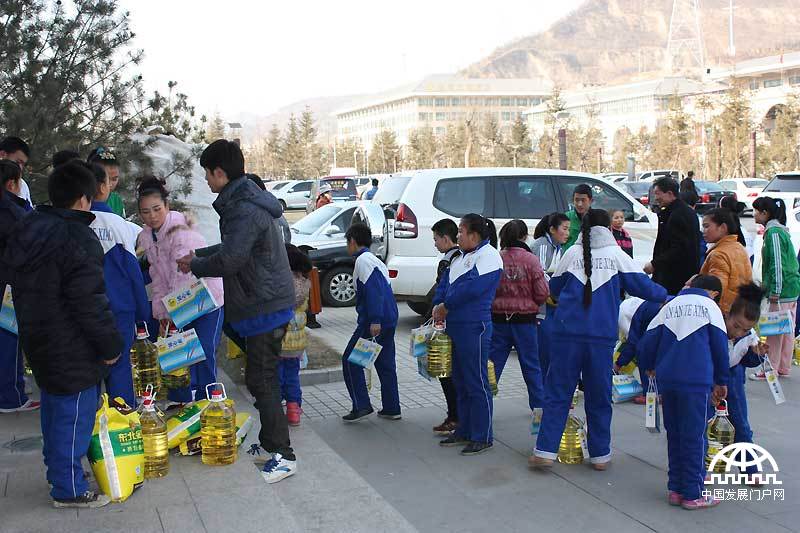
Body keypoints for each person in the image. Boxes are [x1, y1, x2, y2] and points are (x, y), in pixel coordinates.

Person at [177, 140, 297, 484]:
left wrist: (198, 264)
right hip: (262, 302)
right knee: (260, 378)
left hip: (265, 305)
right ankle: (270, 443)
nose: (207, 181)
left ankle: (284, 455)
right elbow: (234, 248)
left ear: (219, 172)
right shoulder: (241, 201)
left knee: (263, 379)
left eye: (207, 174)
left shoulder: (243, 206)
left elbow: (231, 259)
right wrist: (198, 255)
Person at [5, 160, 123, 508]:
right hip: (73, 343)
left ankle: (59, 473)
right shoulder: (76, 236)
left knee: (55, 410)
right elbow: (88, 300)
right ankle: (68, 489)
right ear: (85, 199)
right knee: (74, 416)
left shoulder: (31, 227)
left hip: (38, 337)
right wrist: (110, 345)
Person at [530, 209, 667, 470]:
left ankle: (545, 451)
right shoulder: (617, 255)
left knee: (558, 394)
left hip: (565, 335)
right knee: (599, 396)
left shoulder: (571, 253)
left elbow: (553, 289)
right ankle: (600, 455)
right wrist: (670, 296)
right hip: (600, 338)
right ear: (608, 229)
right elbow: (644, 287)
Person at [638, 274, 729, 510]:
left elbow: (647, 342)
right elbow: (720, 347)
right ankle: (692, 493)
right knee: (694, 437)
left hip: (668, 380)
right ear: (712, 293)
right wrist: (721, 380)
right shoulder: (710, 307)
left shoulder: (670, 306)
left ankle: (675, 489)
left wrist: (649, 367)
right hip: (696, 380)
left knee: (675, 434)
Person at [137, 177, 225, 406]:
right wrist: (161, 312)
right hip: (177, 303)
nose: (152, 216)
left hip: (205, 298)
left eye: (157, 209)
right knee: (176, 349)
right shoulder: (147, 236)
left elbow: (182, 276)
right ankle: (181, 400)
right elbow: (158, 276)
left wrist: (170, 313)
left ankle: (208, 400)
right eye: (145, 212)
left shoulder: (180, 230)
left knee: (203, 349)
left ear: (167, 206)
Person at [432, 214, 502, 456]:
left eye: (461, 232)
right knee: (459, 381)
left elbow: (470, 288)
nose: (458, 236)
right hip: (455, 326)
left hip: (475, 326)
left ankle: (483, 435)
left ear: (474, 235)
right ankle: (464, 428)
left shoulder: (489, 256)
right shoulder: (460, 258)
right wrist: (438, 303)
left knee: (476, 382)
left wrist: (446, 305)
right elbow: (444, 284)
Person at [88, 163, 149, 406]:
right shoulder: (118, 224)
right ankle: (123, 424)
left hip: (86, 311)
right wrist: (142, 314)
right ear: (103, 188)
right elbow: (133, 273)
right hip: (120, 310)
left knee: (89, 369)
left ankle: (90, 426)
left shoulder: (74, 224)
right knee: (120, 367)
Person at [490, 219, 549, 423]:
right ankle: (539, 410)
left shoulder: (497, 259)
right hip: (525, 321)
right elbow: (542, 293)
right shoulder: (532, 260)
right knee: (532, 366)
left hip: (498, 321)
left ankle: (484, 408)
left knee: (492, 366)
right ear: (524, 237)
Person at [341, 223, 400, 422]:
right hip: (389, 319)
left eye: (347, 242)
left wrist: (374, 320)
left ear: (353, 241)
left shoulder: (363, 261)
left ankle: (362, 405)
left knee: (351, 361)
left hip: (374, 323)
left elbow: (374, 292)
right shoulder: (374, 260)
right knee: (385, 364)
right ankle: (392, 408)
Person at [0, 160, 38, 413]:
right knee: (9, 341)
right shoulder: (12, 212)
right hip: (9, 285)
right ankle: (11, 397)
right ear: (13, 183)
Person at [721, 283, 768, 483]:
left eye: (745, 329)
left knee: (740, 422)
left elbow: (746, 361)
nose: (739, 332)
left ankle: (749, 468)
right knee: (704, 424)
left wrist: (757, 355)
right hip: (710, 379)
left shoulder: (749, 336)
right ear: (728, 316)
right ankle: (701, 466)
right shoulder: (717, 329)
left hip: (734, 379)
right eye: (736, 326)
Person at [751, 197, 800, 379]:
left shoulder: (774, 233)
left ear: (765, 213)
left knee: (775, 331)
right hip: (791, 288)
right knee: (787, 329)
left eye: (756, 211)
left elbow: (777, 264)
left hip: (782, 290)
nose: (754, 214)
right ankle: (782, 367)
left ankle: (770, 369)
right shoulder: (779, 231)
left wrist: (775, 290)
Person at [427, 218, 461, 435]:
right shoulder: (461, 257)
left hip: (451, 324)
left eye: (436, 239)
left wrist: (435, 310)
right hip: (453, 322)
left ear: (446, 238)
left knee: (448, 373)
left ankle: (455, 416)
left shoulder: (450, 261)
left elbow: (442, 290)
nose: (435, 243)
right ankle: (456, 415)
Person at [530, 212, 570, 379]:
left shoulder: (558, 247)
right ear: (552, 229)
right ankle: (544, 392)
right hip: (541, 307)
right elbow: (540, 275)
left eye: (569, 229)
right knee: (544, 351)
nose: (568, 233)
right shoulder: (543, 245)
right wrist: (550, 295)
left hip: (552, 305)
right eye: (565, 229)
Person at [645, 177, 700, 295]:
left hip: (675, 278)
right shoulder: (681, 211)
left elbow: (679, 248)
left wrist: (655, 264)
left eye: (657, 194)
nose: (655, 198)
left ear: (670, 193)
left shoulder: (678, 215)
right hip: (677, 275)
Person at [279, 244, 312, 427]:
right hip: (297, 343)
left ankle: (276, 407)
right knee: (292, 375)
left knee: (277, 375)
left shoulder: (283, 282)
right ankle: (293, 412)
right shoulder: (305, 282)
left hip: (280, 339)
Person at [699, 208, 753, 315]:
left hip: (723, 313)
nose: (703, 231)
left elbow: (717, 291)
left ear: (723, 227)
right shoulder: (739, 247)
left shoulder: (718, 254)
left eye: (706, 226)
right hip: (741, 309)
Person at [614, 297, 662, 404]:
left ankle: (650, 393)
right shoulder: (634, 303)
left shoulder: (622, 313)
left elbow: (633, 343)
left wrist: (618, 364)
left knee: (642, 349)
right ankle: (663, 392)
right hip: (665, 306)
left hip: (657, 311)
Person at [87, 147, 124, 217]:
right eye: (106, 179)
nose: (110, 184)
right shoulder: (83, 198)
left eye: (114, 179)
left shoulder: (116, 200)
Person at [0, 137, 32, 209]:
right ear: (2, 155)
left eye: (23, 164)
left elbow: (29, 216)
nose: (20, 168)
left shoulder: (22, 185)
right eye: (18, 162)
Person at [563, 184, 593, 250]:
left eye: (583, 200)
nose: (579, 204)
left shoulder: (597, 218)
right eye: (577, 200)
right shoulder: (566, 217)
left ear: (591, 201)